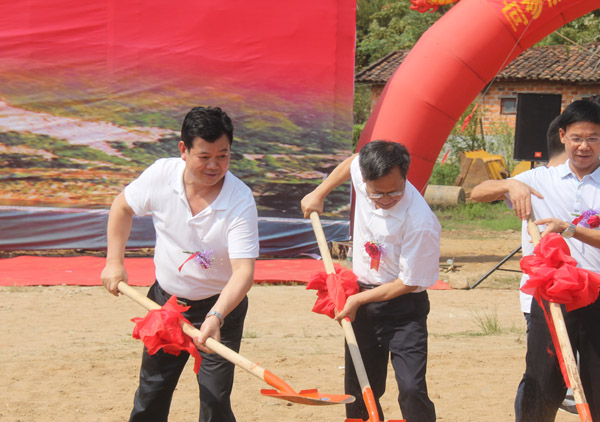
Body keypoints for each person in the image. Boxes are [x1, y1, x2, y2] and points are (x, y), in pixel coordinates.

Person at [100, 106, 259, 422]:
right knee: (151, 393)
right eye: (204, 156)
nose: (214, 165)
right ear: (184, 150)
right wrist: (114, 262)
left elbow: (244, 272)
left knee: (215, 401)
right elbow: (122, 207)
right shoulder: (161, 175)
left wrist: (216, 316)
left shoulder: (239, 200)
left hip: (220, 310)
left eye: (223, 156)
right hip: (166, 306)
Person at [470, 99, 600, 421]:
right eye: (577, 138)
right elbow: (477, 193)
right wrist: (509, 183)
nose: (584, 146)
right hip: (551, 299)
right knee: (541, 386)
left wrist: (571, 230)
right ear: (562, 136)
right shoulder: (541, 179)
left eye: (593, 138)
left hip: (596, 294)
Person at [301, 140, 440, 422]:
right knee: (359, 389)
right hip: (363, 302)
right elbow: (352, 161)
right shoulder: (363, 174)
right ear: (365, 180)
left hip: (404, 309)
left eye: (394, 191)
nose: (386, 199)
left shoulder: (420, 222)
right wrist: (319, 192)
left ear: (405, 176)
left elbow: (408, 282)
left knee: (411, 388)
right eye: (377, 193)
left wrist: (358, 299)